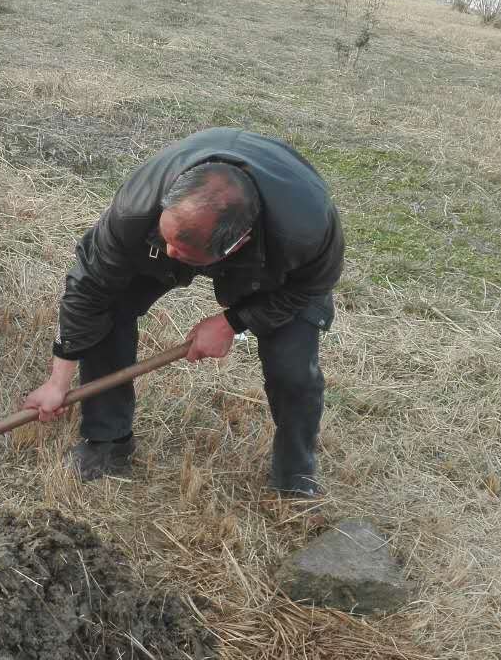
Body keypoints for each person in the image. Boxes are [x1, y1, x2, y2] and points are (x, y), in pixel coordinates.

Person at [21, 128, 345, 497]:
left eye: (184, 254)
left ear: (236, 246)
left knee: (293, 371)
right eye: (167, 240)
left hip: (273, 251)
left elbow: (308, 289)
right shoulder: (137, 208)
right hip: (178, 230)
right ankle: (108, 442)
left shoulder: (305, 230)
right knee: (110, 309)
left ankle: (295, 474)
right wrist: (58, 381)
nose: (171, 254)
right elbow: (89, 288)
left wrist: (233, 323)